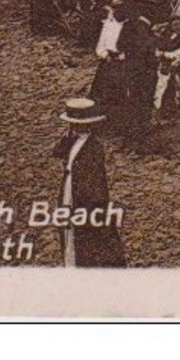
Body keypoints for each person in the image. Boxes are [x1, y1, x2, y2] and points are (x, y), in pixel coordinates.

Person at [52, 98, 126, 267]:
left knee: (89, 239)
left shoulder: (93, 148)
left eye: (76, 125)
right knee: (70, 231)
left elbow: (94, 182)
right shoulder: (74, 143)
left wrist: (86, 206)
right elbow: (56, 152)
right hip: (71, 189)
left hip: (86, 199)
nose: (74, 128)